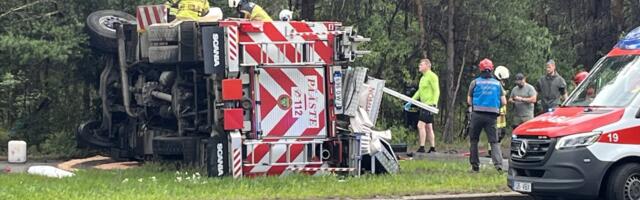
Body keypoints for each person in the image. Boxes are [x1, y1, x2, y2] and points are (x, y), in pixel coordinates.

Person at [467, 58, 506, 172]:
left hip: (477, 115)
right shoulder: (498, 84)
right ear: (491, 69)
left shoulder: (475, 82)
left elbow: (469, 101)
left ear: (481, 69)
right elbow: (504, 102)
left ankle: (475, 166)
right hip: (492, 117)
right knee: (494, 141)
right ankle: (498, 166)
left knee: (474, 140)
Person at [404, 59, 440, 153]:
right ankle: (432, 148)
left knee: (420, 125)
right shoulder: (423, 78)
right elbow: (419, 92)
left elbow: (436, 90)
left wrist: (434, 104)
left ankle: (422, 147)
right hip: (423, 105)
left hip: (429, 105)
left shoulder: (432, 76)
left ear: (427, 66)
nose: (419, 66)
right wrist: (411, 101)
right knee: (429, 127)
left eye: (421, 65)